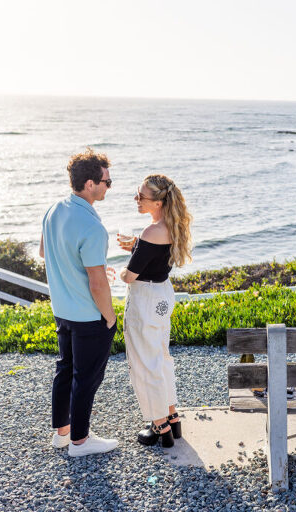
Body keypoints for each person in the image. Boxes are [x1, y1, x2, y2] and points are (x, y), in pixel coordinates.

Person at [39, 148, 119, 457]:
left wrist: (86, 270)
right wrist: (110, 317)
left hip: (62, 310)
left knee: (65, 370)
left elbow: (48, 254)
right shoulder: (92, 226)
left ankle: (62, 434)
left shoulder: (53, 210)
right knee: (86, 378)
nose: (108, 187)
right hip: (88, 315)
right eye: (106, 182)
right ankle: (81, 442)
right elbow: (97, 284)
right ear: (89, 183)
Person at [117, 174, 192, 448]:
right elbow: (154, 254)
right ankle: (172, 416)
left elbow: (129, 276)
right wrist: (137, 245)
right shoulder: (172, 226)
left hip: (145, 299)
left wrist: (117, 271)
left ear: (158, 202)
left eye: (141, 196)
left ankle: (159, 425)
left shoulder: (152, 232)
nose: (137, 200)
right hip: (162, 295)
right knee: (161, 356)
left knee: (143, 362)